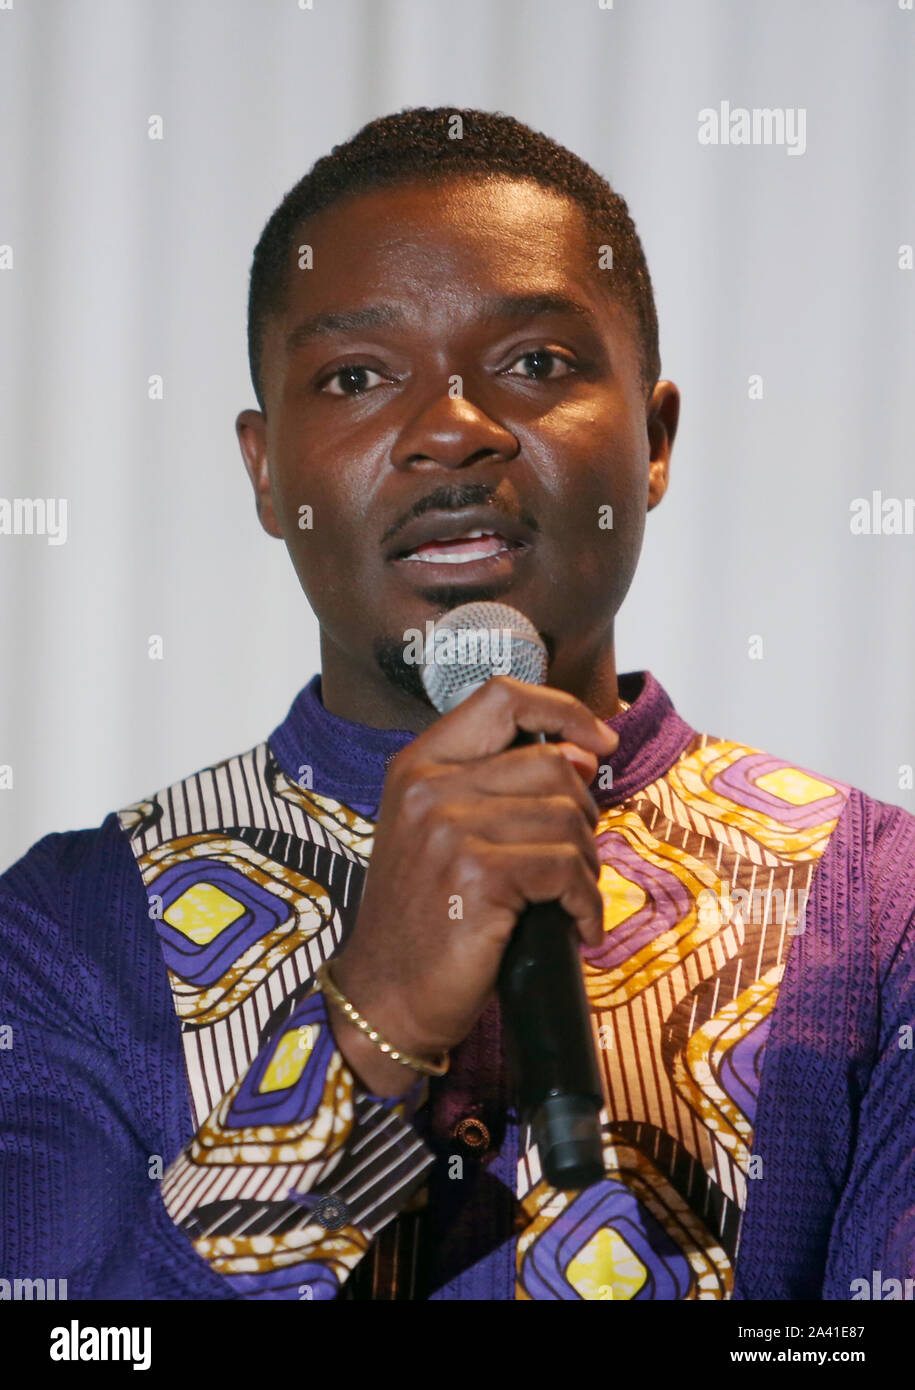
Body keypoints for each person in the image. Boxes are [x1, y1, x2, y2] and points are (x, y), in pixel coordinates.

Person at [1, 106, 913, 1303]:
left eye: (536, 363)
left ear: (654, 437)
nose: (451, 430)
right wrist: (363, 1032)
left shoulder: (878, 899)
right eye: (357, 376)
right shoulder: (70, 930)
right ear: (268, 471)